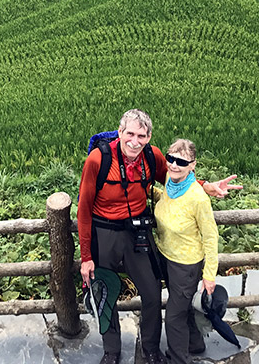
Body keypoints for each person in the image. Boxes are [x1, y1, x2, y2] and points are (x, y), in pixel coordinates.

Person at [77, 110, 241, 364]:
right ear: (119, 133)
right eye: (129, 133)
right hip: (105, 233)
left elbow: (177, 175)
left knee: (152, 294)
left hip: (137, 235)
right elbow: (84, 209)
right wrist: (86, 256)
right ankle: (111, 350)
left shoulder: (151, 157)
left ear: (149, 137)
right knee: (104, 292)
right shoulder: (99, 160)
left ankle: (151, 349)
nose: (135, 140)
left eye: (141, 135)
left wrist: (206, 186)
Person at [152, 139, 218, 362]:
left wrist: (209, 275)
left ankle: (178, 358)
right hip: (166, 255)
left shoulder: (198, 197)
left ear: (193, 165)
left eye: (181, 161)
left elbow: (210, 237)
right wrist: (145, 191)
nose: (173, 165)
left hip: (186, 264)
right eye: (170, 158)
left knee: (173, 317)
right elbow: (169, 204)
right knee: (183, 306)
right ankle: (195, 344)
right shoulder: (170, 181)